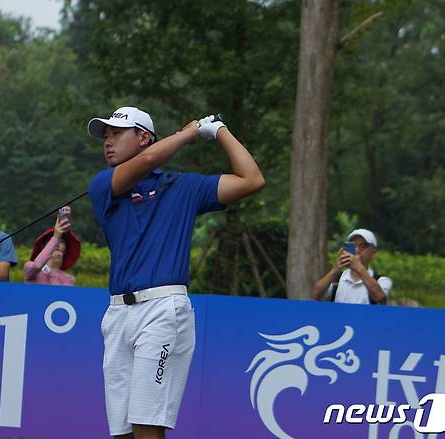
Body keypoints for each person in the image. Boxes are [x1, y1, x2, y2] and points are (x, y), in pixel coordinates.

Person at [87, 107, 264, 438]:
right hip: (117, 316)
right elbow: (145, 162)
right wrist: (188, 133)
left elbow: (251, 179)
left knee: (146, 424)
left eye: (116, 134)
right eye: (105, 136)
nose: (107, 142)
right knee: (122, 432)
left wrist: (219, 130)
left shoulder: (182, 187)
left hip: (162, 311)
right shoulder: (103, 186)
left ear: (144, 137)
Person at [311, 228, 393, 305]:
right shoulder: (337, 279)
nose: (357, 250)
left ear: (373, 252)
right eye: (353, 246)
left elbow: (380, 298)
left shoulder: (382, 280)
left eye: (363, 246)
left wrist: (359, 268)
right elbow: (315, 295)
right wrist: (335, 270)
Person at [23, 210, 81, 286]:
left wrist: (55, 270)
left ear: (66, 250)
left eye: (61, 241)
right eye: (51, 241)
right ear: (43, 247)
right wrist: (55, 237)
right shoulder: (29, 267)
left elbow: (58, 296)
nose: (56, 244)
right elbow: (37, 266)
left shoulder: (69, 279)